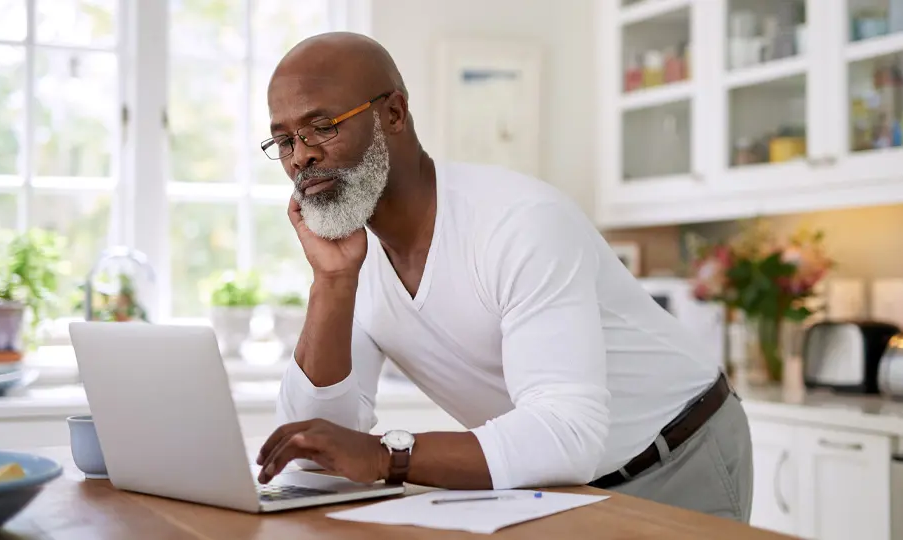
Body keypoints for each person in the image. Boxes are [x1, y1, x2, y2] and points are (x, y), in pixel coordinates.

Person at [254, 31, 753, 522]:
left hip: (677, 453)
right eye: (283, 140)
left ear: (394, 114)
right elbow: (313, 448)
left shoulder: (517, 222)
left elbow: (567, 433)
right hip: (554, 482)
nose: (301, 156)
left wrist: (388, 457)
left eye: (322, 126)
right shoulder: (352, 257)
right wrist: (332, 282)